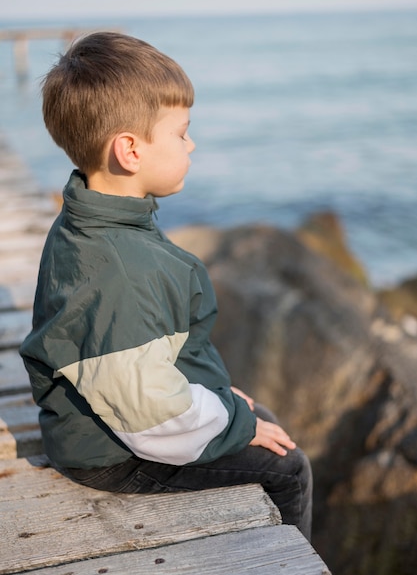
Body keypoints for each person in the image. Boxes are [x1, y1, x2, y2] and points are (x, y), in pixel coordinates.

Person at [20, 32, 312, 540]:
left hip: (128, 408)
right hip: (114, 453)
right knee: (288, 470)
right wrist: (232, 422)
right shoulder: (117, 268)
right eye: (181, 132)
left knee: (259, 416)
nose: (191, 143)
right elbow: (152, 414)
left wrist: (224, 401)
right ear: (130, 151)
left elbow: (145, 354)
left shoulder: (102, 220)